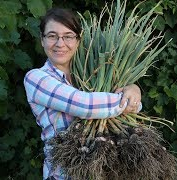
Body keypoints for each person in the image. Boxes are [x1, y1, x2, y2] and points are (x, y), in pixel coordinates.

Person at [23, 8, 142, 180]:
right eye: (52, 36)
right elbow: (85, 106)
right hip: (63, 175)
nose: (60, 43)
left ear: (78, 41)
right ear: (42, 40)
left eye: (68, 36)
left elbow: (135, 107)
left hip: (106, 171)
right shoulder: (36, 78)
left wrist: (133, 89)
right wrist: (127, 100)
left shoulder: (89, 73)